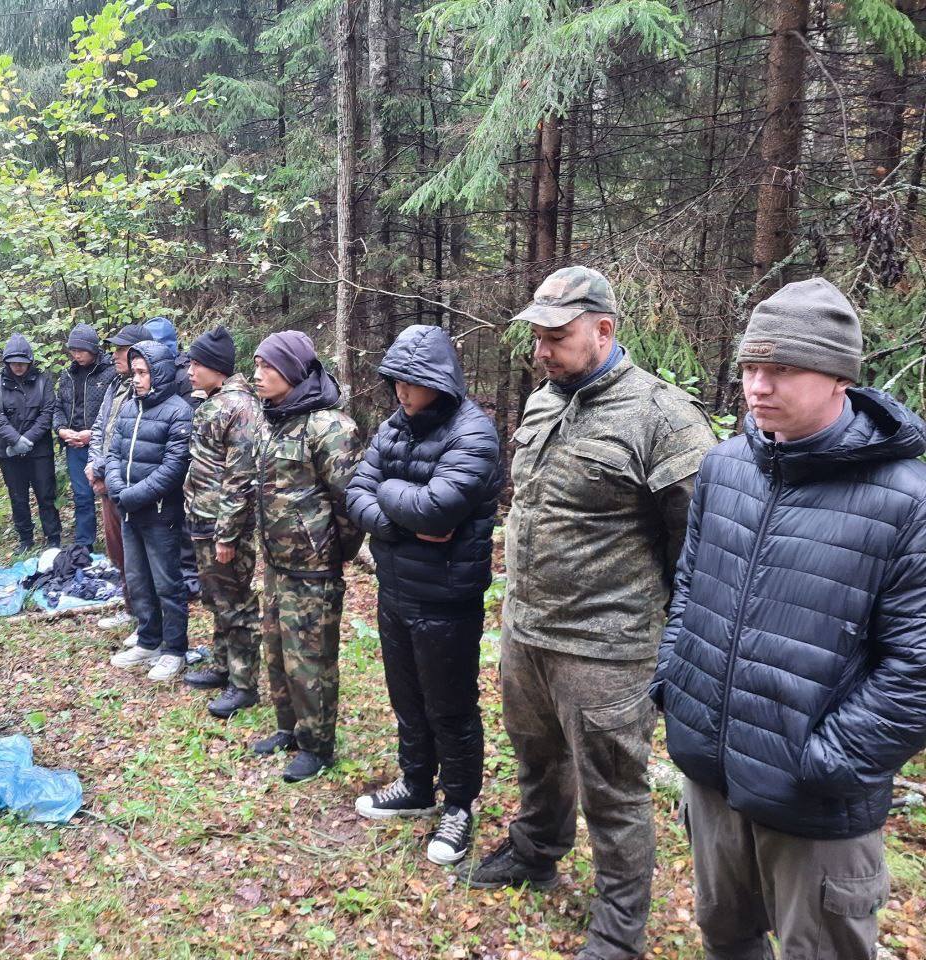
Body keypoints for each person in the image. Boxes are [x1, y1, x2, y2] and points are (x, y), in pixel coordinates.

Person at [653, 277, 926, 960]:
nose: (757, 385)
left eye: (781, 369)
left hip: (815, 808)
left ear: (838, 376)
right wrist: (675, 686)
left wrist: (823, 762)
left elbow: (917, 670)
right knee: (726, 937)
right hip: (712, 780)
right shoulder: (725, 467)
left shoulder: (905, 502)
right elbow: (688, 586)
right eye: (750, 367)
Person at [461, 267, 715, 960]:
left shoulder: (663, 419)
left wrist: (672, 645)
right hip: (528, 630)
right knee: (536, 759)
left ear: (604, 330)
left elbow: (695, 547)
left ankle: (617, 928)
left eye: (557, 336)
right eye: (537, 337)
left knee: (614, 792)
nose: (541, 351)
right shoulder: (545, 402)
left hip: (607, 650)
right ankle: (536, 850)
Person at [346, 325, 503, 866]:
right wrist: (397, 522)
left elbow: (438, 507)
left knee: (450, 707)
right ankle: (416, 784)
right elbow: (355, 492)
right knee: (407, 700)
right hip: (395, 590)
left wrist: (388, 498)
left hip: (446, 599)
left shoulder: (473, 433)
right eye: (396, 382)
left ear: (439, 380)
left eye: (412, 382)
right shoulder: (395, 426)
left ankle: (458, 805)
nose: (401, 393)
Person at [251, 330, 363, 783]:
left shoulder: (329, 427)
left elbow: (350, 504)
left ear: (293, 372)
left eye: (267, 367)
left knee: (310, 659)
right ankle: (289, 728)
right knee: (277, 651)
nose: (257, 376)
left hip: (313, 569)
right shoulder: (276, 418)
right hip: (277, 563)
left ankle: (318, 745)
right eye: (256, 366)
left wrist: (335, 553)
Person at [181, 326, 264, 718]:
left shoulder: (240, 407)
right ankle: (222, 665)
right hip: (203, 518)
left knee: (235, 602)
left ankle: (244, 684)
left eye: (196, 364)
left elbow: (241, 477)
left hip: (224, 525)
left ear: (216, 367)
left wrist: (228, 534)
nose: (189, 370)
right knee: (216, 597)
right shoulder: (216, 401)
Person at [104, 339, 194, 682]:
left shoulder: (178, 412)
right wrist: (117, 489)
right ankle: (148, 639)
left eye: (143, 372)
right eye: (135, 372)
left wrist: (131, 496)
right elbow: (114, 454)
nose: (137, 379)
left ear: (159, 373)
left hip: (160, 515)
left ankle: (175, 649)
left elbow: (173, 468)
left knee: (167, 584)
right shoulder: (129, 407)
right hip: (130, 512)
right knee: (139, 581)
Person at [88, 323, 151, 635]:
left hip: (126, 484)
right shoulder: (116, 385)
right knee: (116, 552)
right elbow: (100, 427)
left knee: (136, 554)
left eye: (121, 350)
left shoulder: (146, 391)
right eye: (114, 349)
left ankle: (145, 616)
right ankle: (130, 607)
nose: (114, 356)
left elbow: (129, 443)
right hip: (106, 483)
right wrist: (93, 466)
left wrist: (102, 471)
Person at [145, 315, 202, 601]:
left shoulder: (184, 374)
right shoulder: (152, 373)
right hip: (158, 457)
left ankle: (190, 576)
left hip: (184, 456)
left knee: (184, 518)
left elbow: (189, 416)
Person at [0, 333, 61, 554]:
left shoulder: (43, 381)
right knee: (18, 496)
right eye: (13, 362)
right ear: (7, 362)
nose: (18, 366)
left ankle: (53, 538)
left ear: (30, 361)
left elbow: (48, 412)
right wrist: (15, 440)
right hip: (8, 451)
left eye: (22, 362)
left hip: (39, 450)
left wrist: (27, 439)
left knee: (46, 495)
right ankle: (25, 539)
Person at [54, 322, 115, 548]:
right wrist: (61, 430)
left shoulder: (110, 373)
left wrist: (93, 434)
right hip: (74, 444)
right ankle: (84, 545)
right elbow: (57, 406)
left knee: (111, 495)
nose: (76, 355)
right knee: (82, 497)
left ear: (93, 349)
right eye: (73, 350)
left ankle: (117, 546)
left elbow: (115, 410)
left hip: (102, 445)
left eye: (81, 350)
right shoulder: (67, 375)